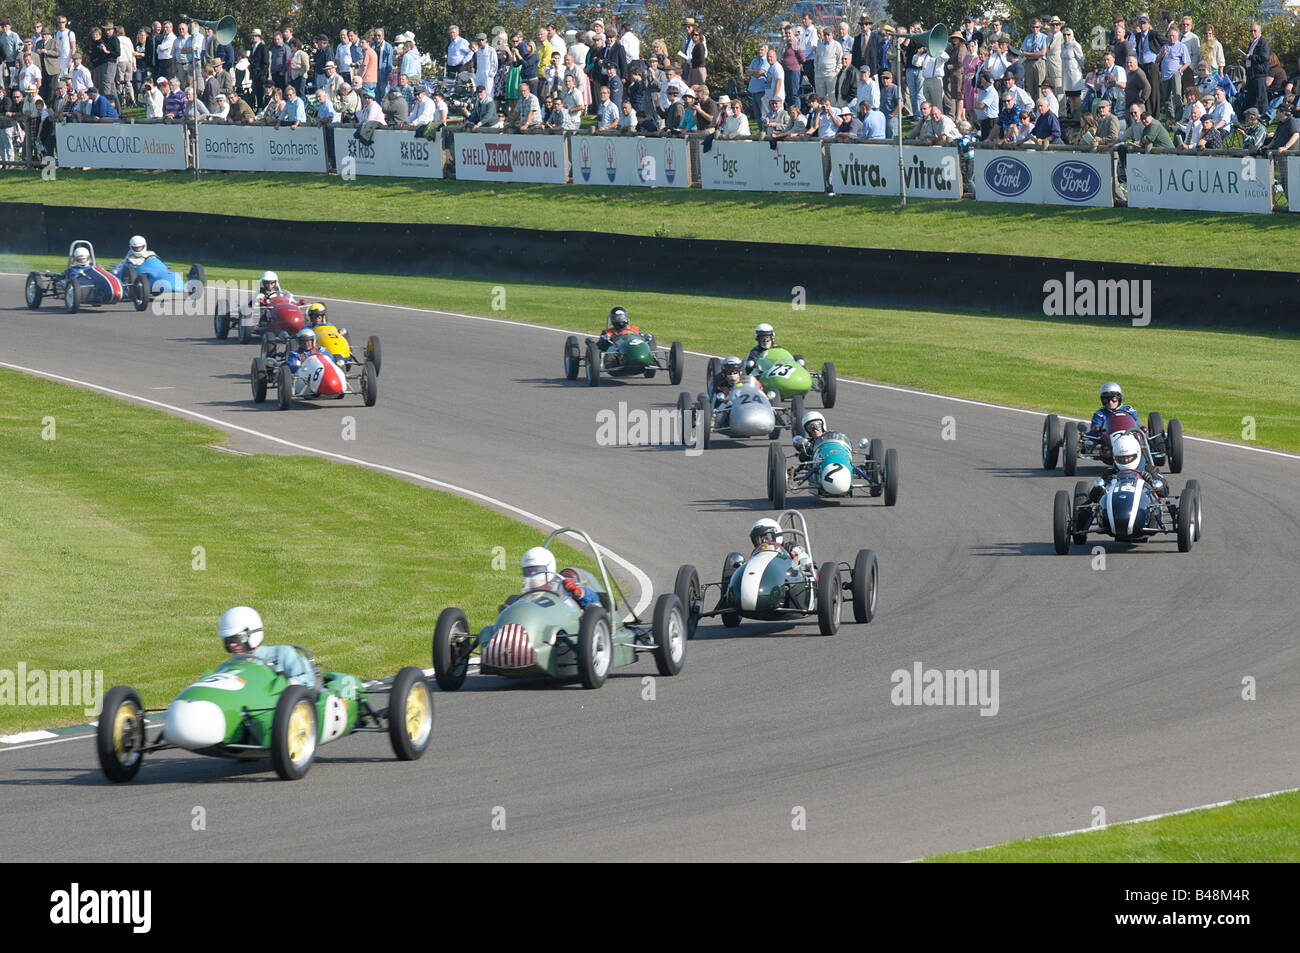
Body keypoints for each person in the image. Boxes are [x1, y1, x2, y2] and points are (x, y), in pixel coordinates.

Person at [218, 606, 317, 689]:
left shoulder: (282, 653)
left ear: (252, 634)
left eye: (237, 639)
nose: (232, 645)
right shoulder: (228, 666)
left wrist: (290, 683)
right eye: (229, 640)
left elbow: (310, 679)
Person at [520, 547, 599, 608]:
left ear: (549, 567)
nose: (532, 574)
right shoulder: (528, 591)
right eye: (528, 571)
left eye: (536, 570)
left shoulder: (564, 584)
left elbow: (595, 600)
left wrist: (579, 592)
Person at [747, 519, 812, 572]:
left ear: (776, 535)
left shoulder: (790, 548)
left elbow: (804, 559)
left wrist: (801, 560)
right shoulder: (756, 555)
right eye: (758, 540)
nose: (763, 542)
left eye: (766, 538)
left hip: (787, 580)